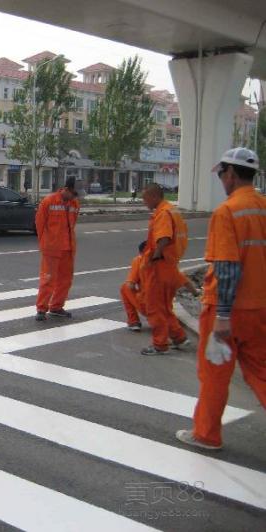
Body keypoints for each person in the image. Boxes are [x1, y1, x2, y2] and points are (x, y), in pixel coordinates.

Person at [176, 148, 266, 451]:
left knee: (214, 372)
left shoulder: (227, 211)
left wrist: (224, 317)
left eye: (221, 174)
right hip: (260, 309)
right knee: (261, 372)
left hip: (229, 312)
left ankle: (206, 434)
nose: (220, 180)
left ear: (230, 173)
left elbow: (227, 268)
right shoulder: (263, 207)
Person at [139, 183, 190, 355]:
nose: (143, 201)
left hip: (160, 266)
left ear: (154, 197)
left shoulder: (162, 214)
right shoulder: (171, 210)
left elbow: (164, 238)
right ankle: (179, 337)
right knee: (165, 306)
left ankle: (160, 344)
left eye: (145, 198)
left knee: (154, 307)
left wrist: (155, 256)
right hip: (170, 265)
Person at [121, 240, 199, 331]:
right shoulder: (168, 264)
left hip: (148, 307)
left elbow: (130, 285)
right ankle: (177, 336)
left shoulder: (139, 261)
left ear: (142, 253)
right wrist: (196, 293)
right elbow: (187, 283)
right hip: (166, 310)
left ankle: (133, 321)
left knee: (124, 288)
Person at [34, 177, 80, 321]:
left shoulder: (75, 204)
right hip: (52, 248)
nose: (74, 197)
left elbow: (73, 224)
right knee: (48, 279)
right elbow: (39, 224)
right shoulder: (49, 201)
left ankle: (56, 307)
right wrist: (44, 243)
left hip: (68, 248)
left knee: (65, 280)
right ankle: (41, 309)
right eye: (73, 193)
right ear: (66, 189)